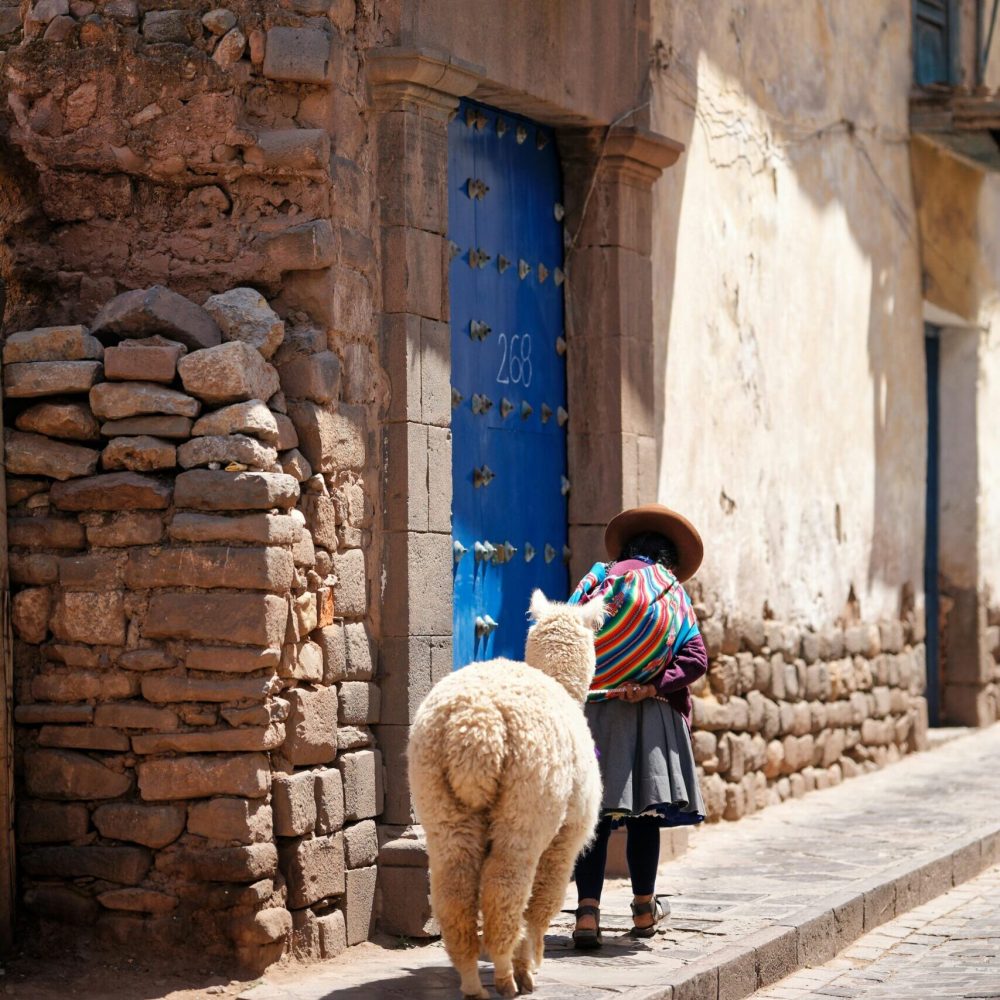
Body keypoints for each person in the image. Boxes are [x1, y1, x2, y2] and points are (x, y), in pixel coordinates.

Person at [567, 504, 708, 947]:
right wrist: (650, 683)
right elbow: (696, 657)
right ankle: (644, 911)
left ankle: (587, 915)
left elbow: (569, 633)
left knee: (594, 817)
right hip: (650, 717)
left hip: (594, 712)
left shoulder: (597, 580)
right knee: (643, 816)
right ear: (668, 561)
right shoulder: (670, 589)